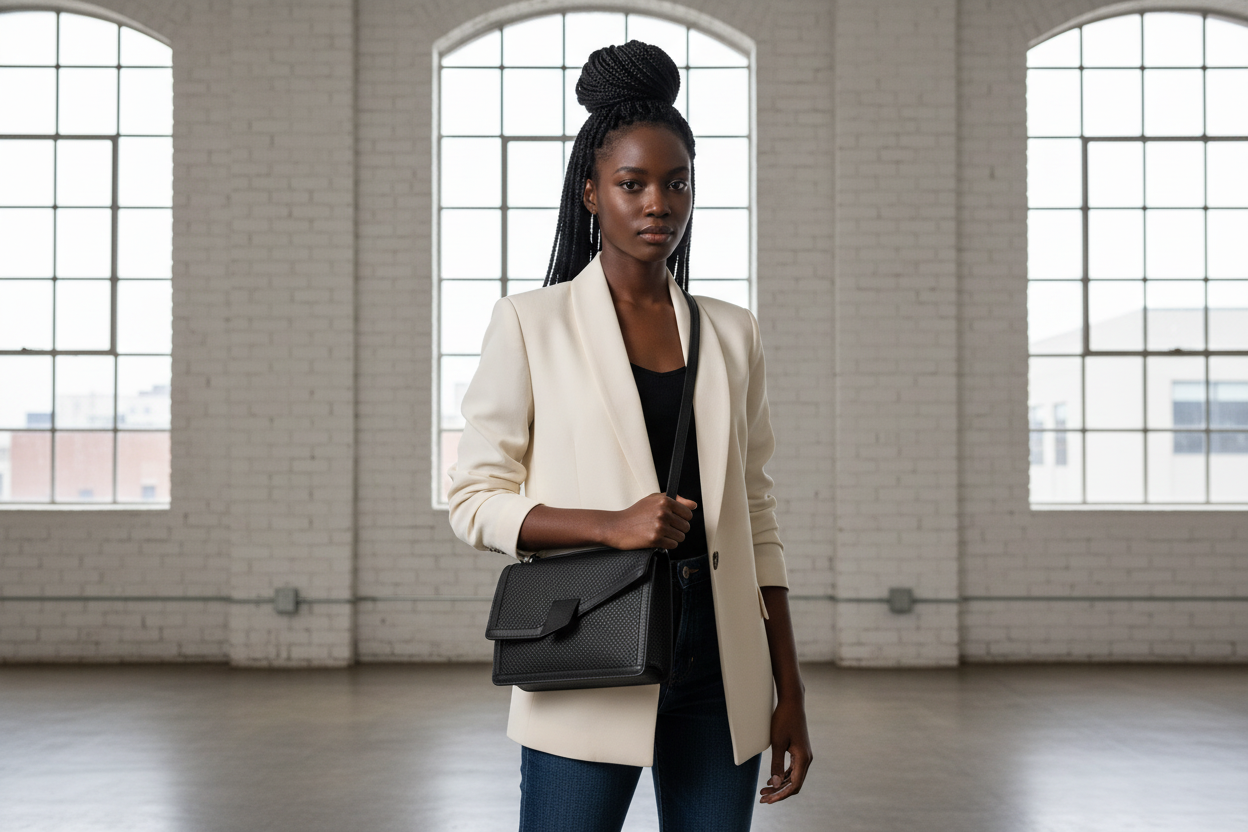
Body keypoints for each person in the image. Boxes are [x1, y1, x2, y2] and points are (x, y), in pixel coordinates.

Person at [447, 39, 812, 832]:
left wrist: (789, 689)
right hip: (589, 643)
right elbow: (473, 500)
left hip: (721, 666)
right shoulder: (531, 324)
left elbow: (757, 516)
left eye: (677, 183)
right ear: (590, 191)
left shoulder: (732, 332)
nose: (658, 203)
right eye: (632, 183)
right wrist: (610, 526)